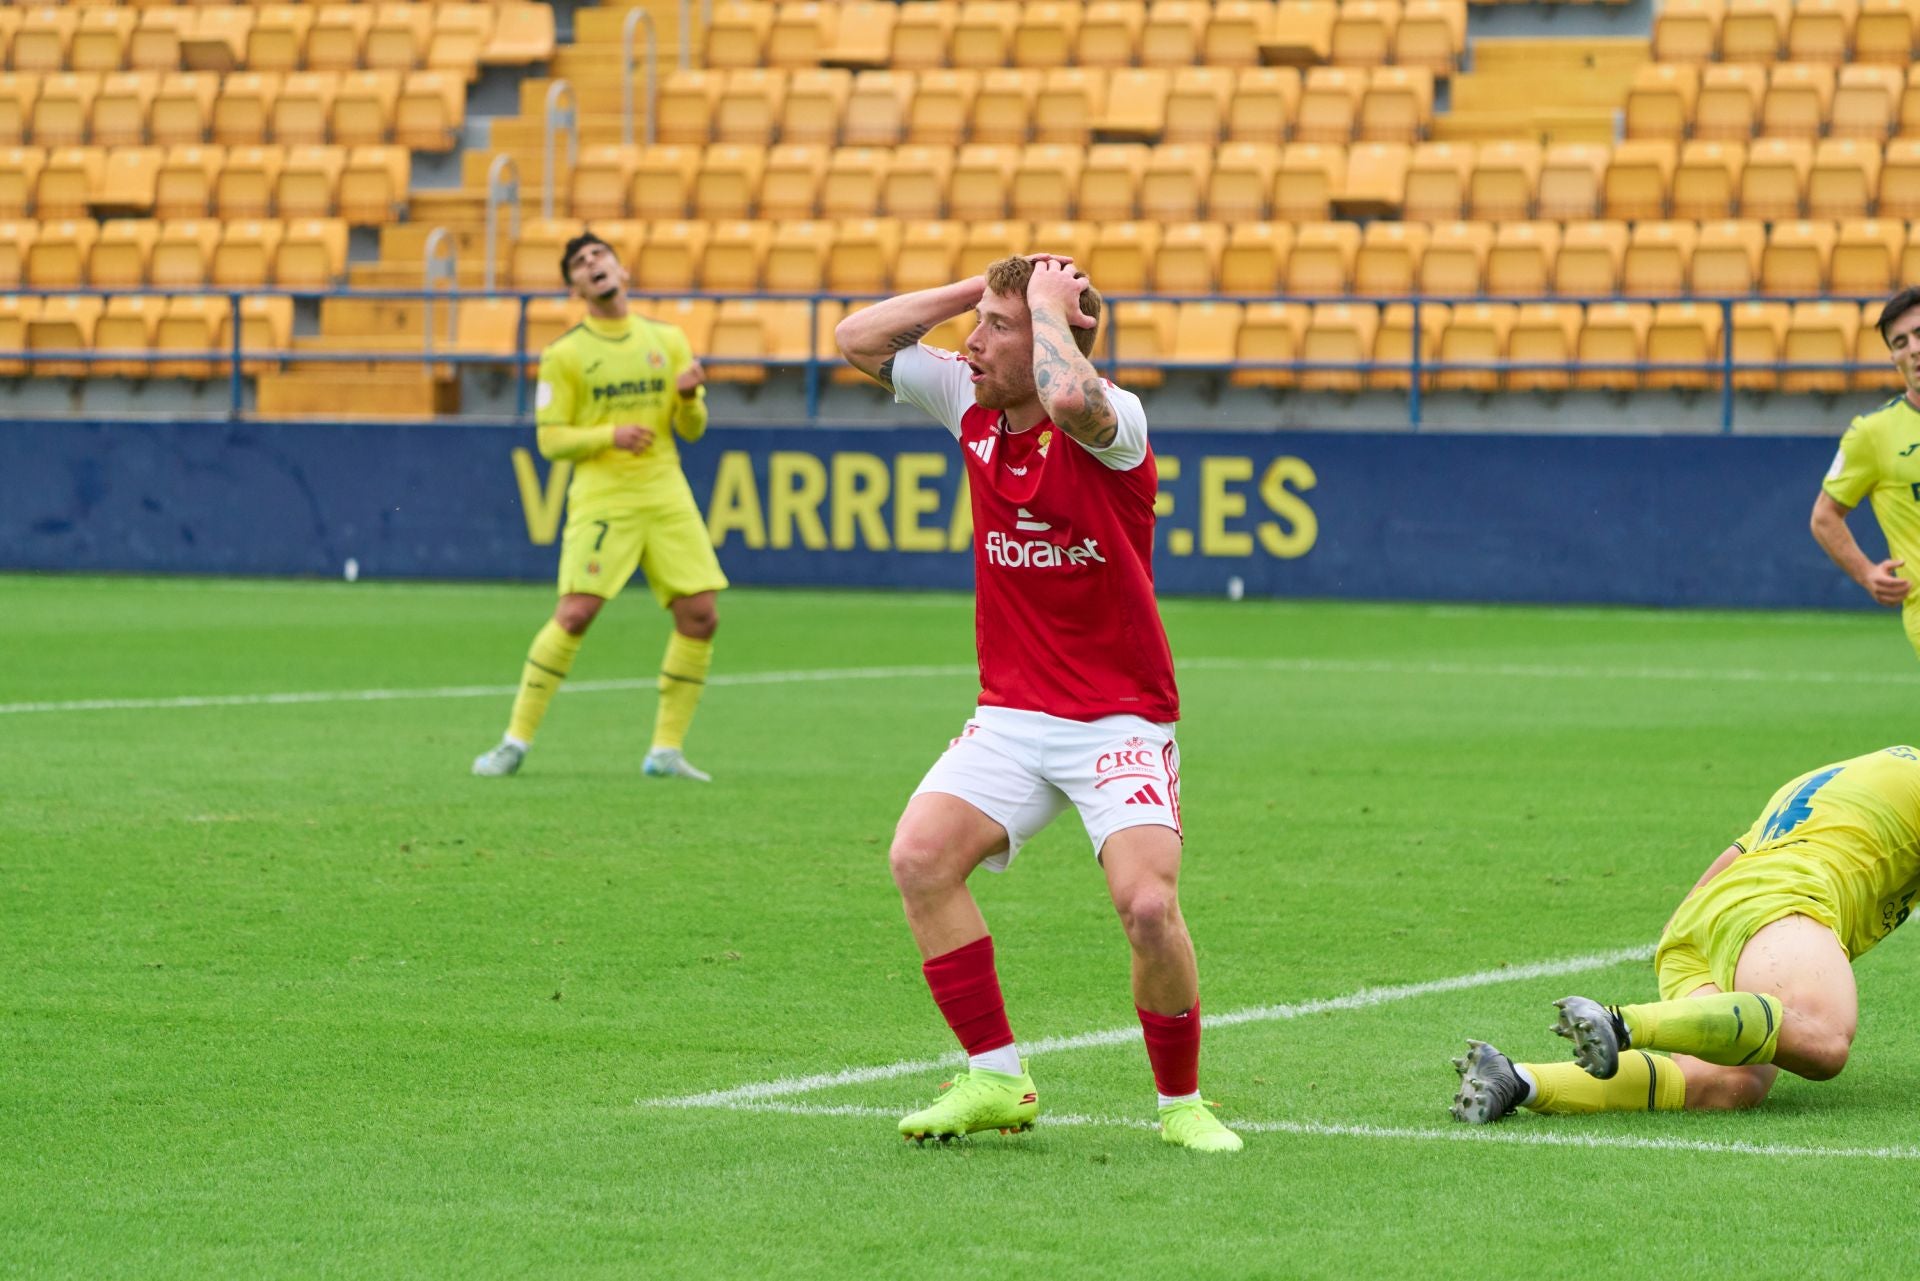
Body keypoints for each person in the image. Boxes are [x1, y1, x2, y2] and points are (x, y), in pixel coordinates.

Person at [833, 254, 1243, 1154]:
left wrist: (1052, 311)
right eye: (975, 325)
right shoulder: (971, 406)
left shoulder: (1114, 422)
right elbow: (855, 339)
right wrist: (975, 289)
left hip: (1121, 719)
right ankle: (994, 1074)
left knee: (1146, 907)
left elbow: (1066, 399)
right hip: (1014, 716)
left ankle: (1182, 1103)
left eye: (997, 328)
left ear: (1058, 335)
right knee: (920, 856)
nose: (971, 344)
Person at [1451, 745, 1920, 1124]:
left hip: (1699, 928)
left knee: (1726, 1086)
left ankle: (1515, 1080)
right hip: (1779, 899)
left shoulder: (1847, 777)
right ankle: (1620, 1023)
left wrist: (1685, 927)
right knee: (1823, 1037)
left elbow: (1734, 854)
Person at [472, 232, 726, 781]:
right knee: (576, 613)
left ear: (621, 269)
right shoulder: (565, 355)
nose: (593, 266)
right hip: (604, 495)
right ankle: (513, 743)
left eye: (599, 257)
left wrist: (686, 397)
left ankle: (666, 751)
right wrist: (609, 435)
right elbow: (550, 439)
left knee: (701, 615)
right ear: (575, 287)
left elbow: (694, 430)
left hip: (665, 490)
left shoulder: (668, 340)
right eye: (581, 264)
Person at [1810, 286, 1920, 654]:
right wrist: (1866, 572)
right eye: (1901, 342)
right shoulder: (1873, 433)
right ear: (1894, 358)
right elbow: (1825, 516)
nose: (1914, 349)